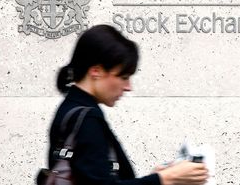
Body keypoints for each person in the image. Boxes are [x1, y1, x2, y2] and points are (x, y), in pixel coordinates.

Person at [47, 24, 209, 185]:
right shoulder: (86, 118)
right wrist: (166, 178)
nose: (128, 87)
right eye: (124, 77)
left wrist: (154, 178)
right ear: (96, 71)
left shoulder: (72, 109)